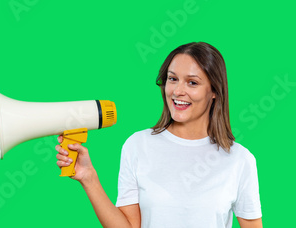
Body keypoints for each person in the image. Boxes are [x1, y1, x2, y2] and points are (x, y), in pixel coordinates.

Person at [55, 42, 262, 228]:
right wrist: (89, 178)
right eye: (173, 79)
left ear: (214, 90)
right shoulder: (137, 145)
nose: (177, 91)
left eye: (192, 82)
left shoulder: (239, 160)